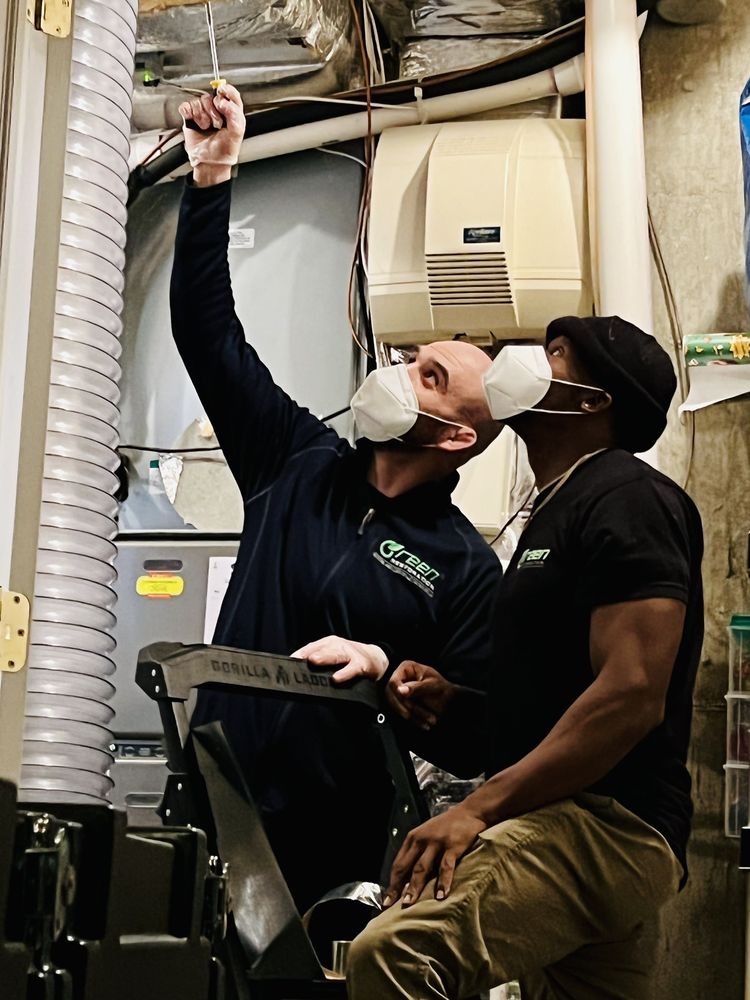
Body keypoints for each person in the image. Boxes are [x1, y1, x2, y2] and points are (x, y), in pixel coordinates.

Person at [171, 84, 502, 914]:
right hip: (212, 799)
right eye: (411, 356)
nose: (400, 371)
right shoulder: (295, 461)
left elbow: (476, 731)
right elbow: (207, 335)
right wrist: (210, 179)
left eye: (429, 376)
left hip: (332, 847)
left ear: (455, 437)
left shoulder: (464, 566)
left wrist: (388, 670)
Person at [347, 315, 704, 1000]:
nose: (528, 360)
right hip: (570, 816)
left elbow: (631, 694)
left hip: (603, 824)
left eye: (556, 354)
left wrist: (477, 809)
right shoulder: (558, 507)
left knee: (396, 955)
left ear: (592, 402)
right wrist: (458, 705)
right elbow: (557, 700)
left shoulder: (627, 495)